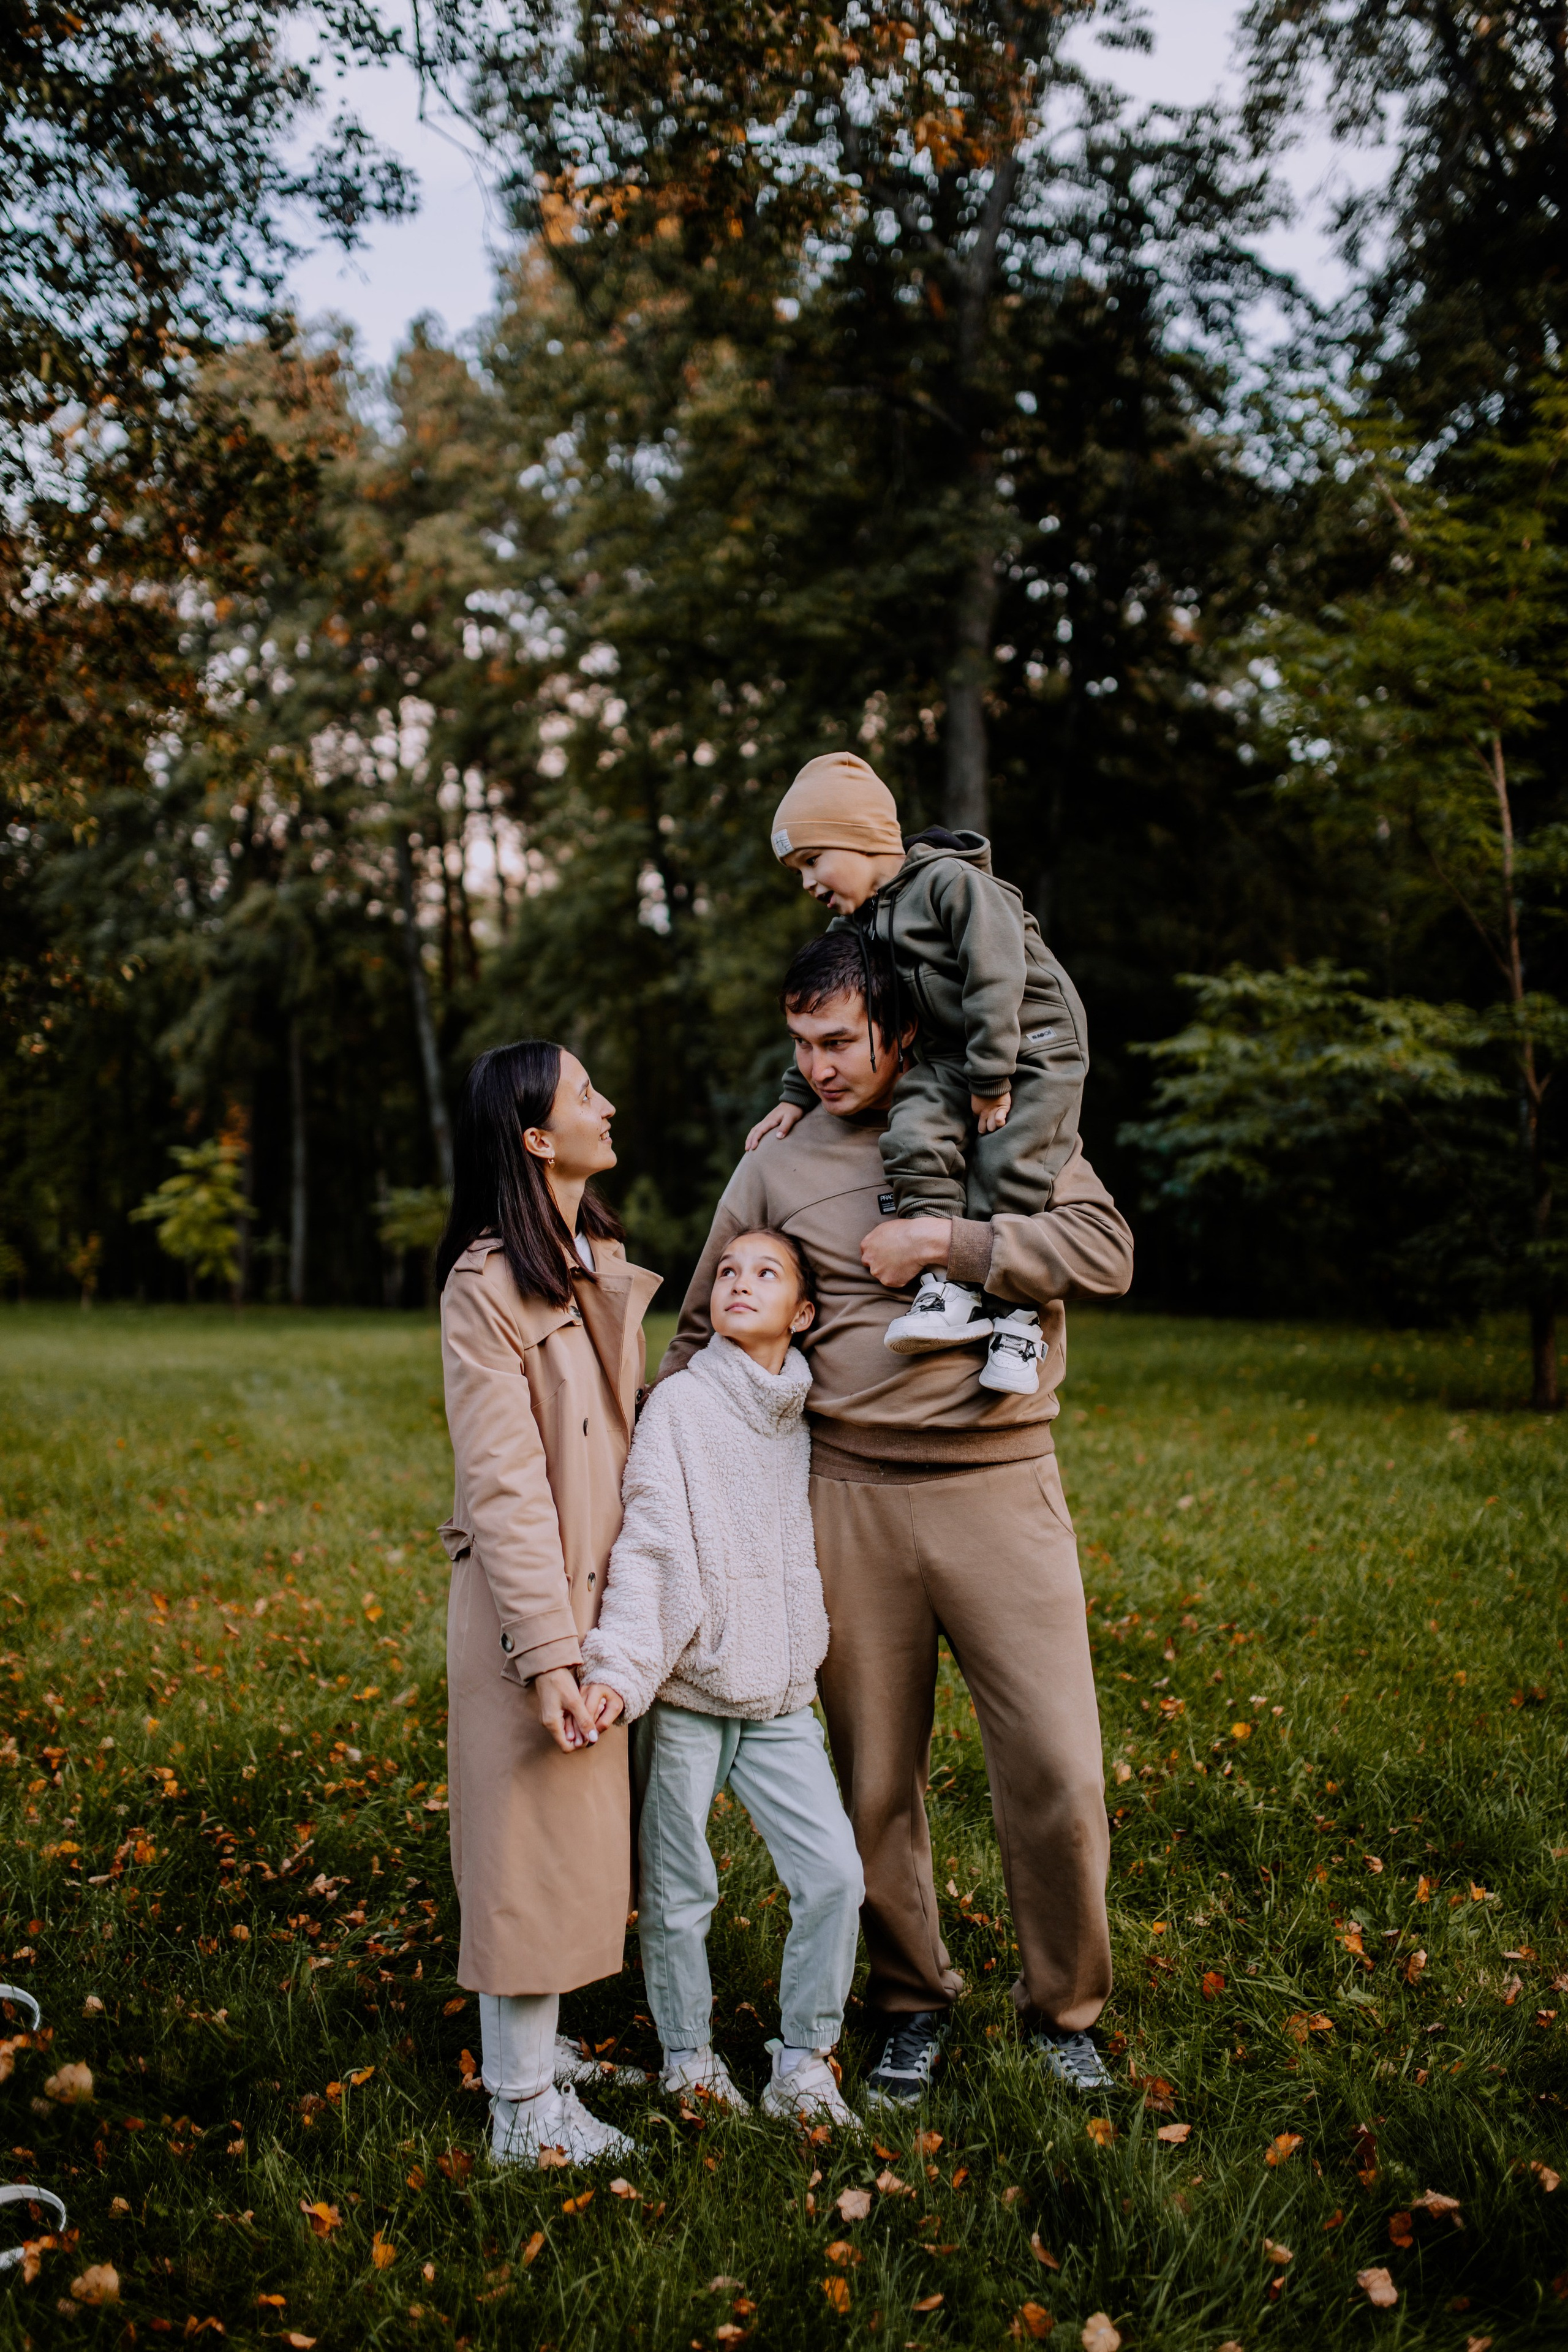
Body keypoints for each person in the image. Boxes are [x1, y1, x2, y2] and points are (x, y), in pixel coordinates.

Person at [664, 929, 1133, 2108]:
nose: (818, 1065)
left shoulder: (1005, 1119)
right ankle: (906, 2004)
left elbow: (1105, 1251)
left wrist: (950, 1242)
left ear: (899, 1026)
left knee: (1060, 1769)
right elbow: (694, 1329)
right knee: (875, 1778)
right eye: (801, 1045)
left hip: (1001, 1484)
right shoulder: (774, 1164)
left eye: (837, 1040)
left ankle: (1065, 2012)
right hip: (846, 1498)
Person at [579, 1229, 863, 2130]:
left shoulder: (802, 1414)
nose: (739, 1283)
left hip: (781, 1694)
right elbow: (655, 1543)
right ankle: (688, 2058)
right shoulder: (682, 1408)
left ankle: (805, 2060)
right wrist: (621, 1668)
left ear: (805, 1312)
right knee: (679, 1888)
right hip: (691, 1692)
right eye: (728, 1272)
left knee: (834, 1877)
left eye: (766, 1273)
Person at [435, 1040, 662, 2166]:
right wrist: (549, 1655)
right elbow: (507, 1490)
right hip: (532, 1612)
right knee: (525, 1847)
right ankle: (523, 2111)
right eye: (585, 1095)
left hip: (601, 1597)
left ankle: (540, 2051)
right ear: (536, 1136)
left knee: (573, 1839)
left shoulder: (595, 1252)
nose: (605, 1106)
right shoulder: (485, 1287)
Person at [748, 750, 1089, 1396]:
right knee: (911, 1133)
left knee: (1008, 1161)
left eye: (812, 861)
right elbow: (826, 1002)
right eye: (797, 870)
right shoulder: (861, 920)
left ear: (861, 838)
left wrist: (992, 1079)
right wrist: (796, 1096)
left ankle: (1018, 1320)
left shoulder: (955, 887)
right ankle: (947, 1285)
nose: (806, 882)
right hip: (953, 1051)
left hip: (1033, 1044)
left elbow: (996, 978)